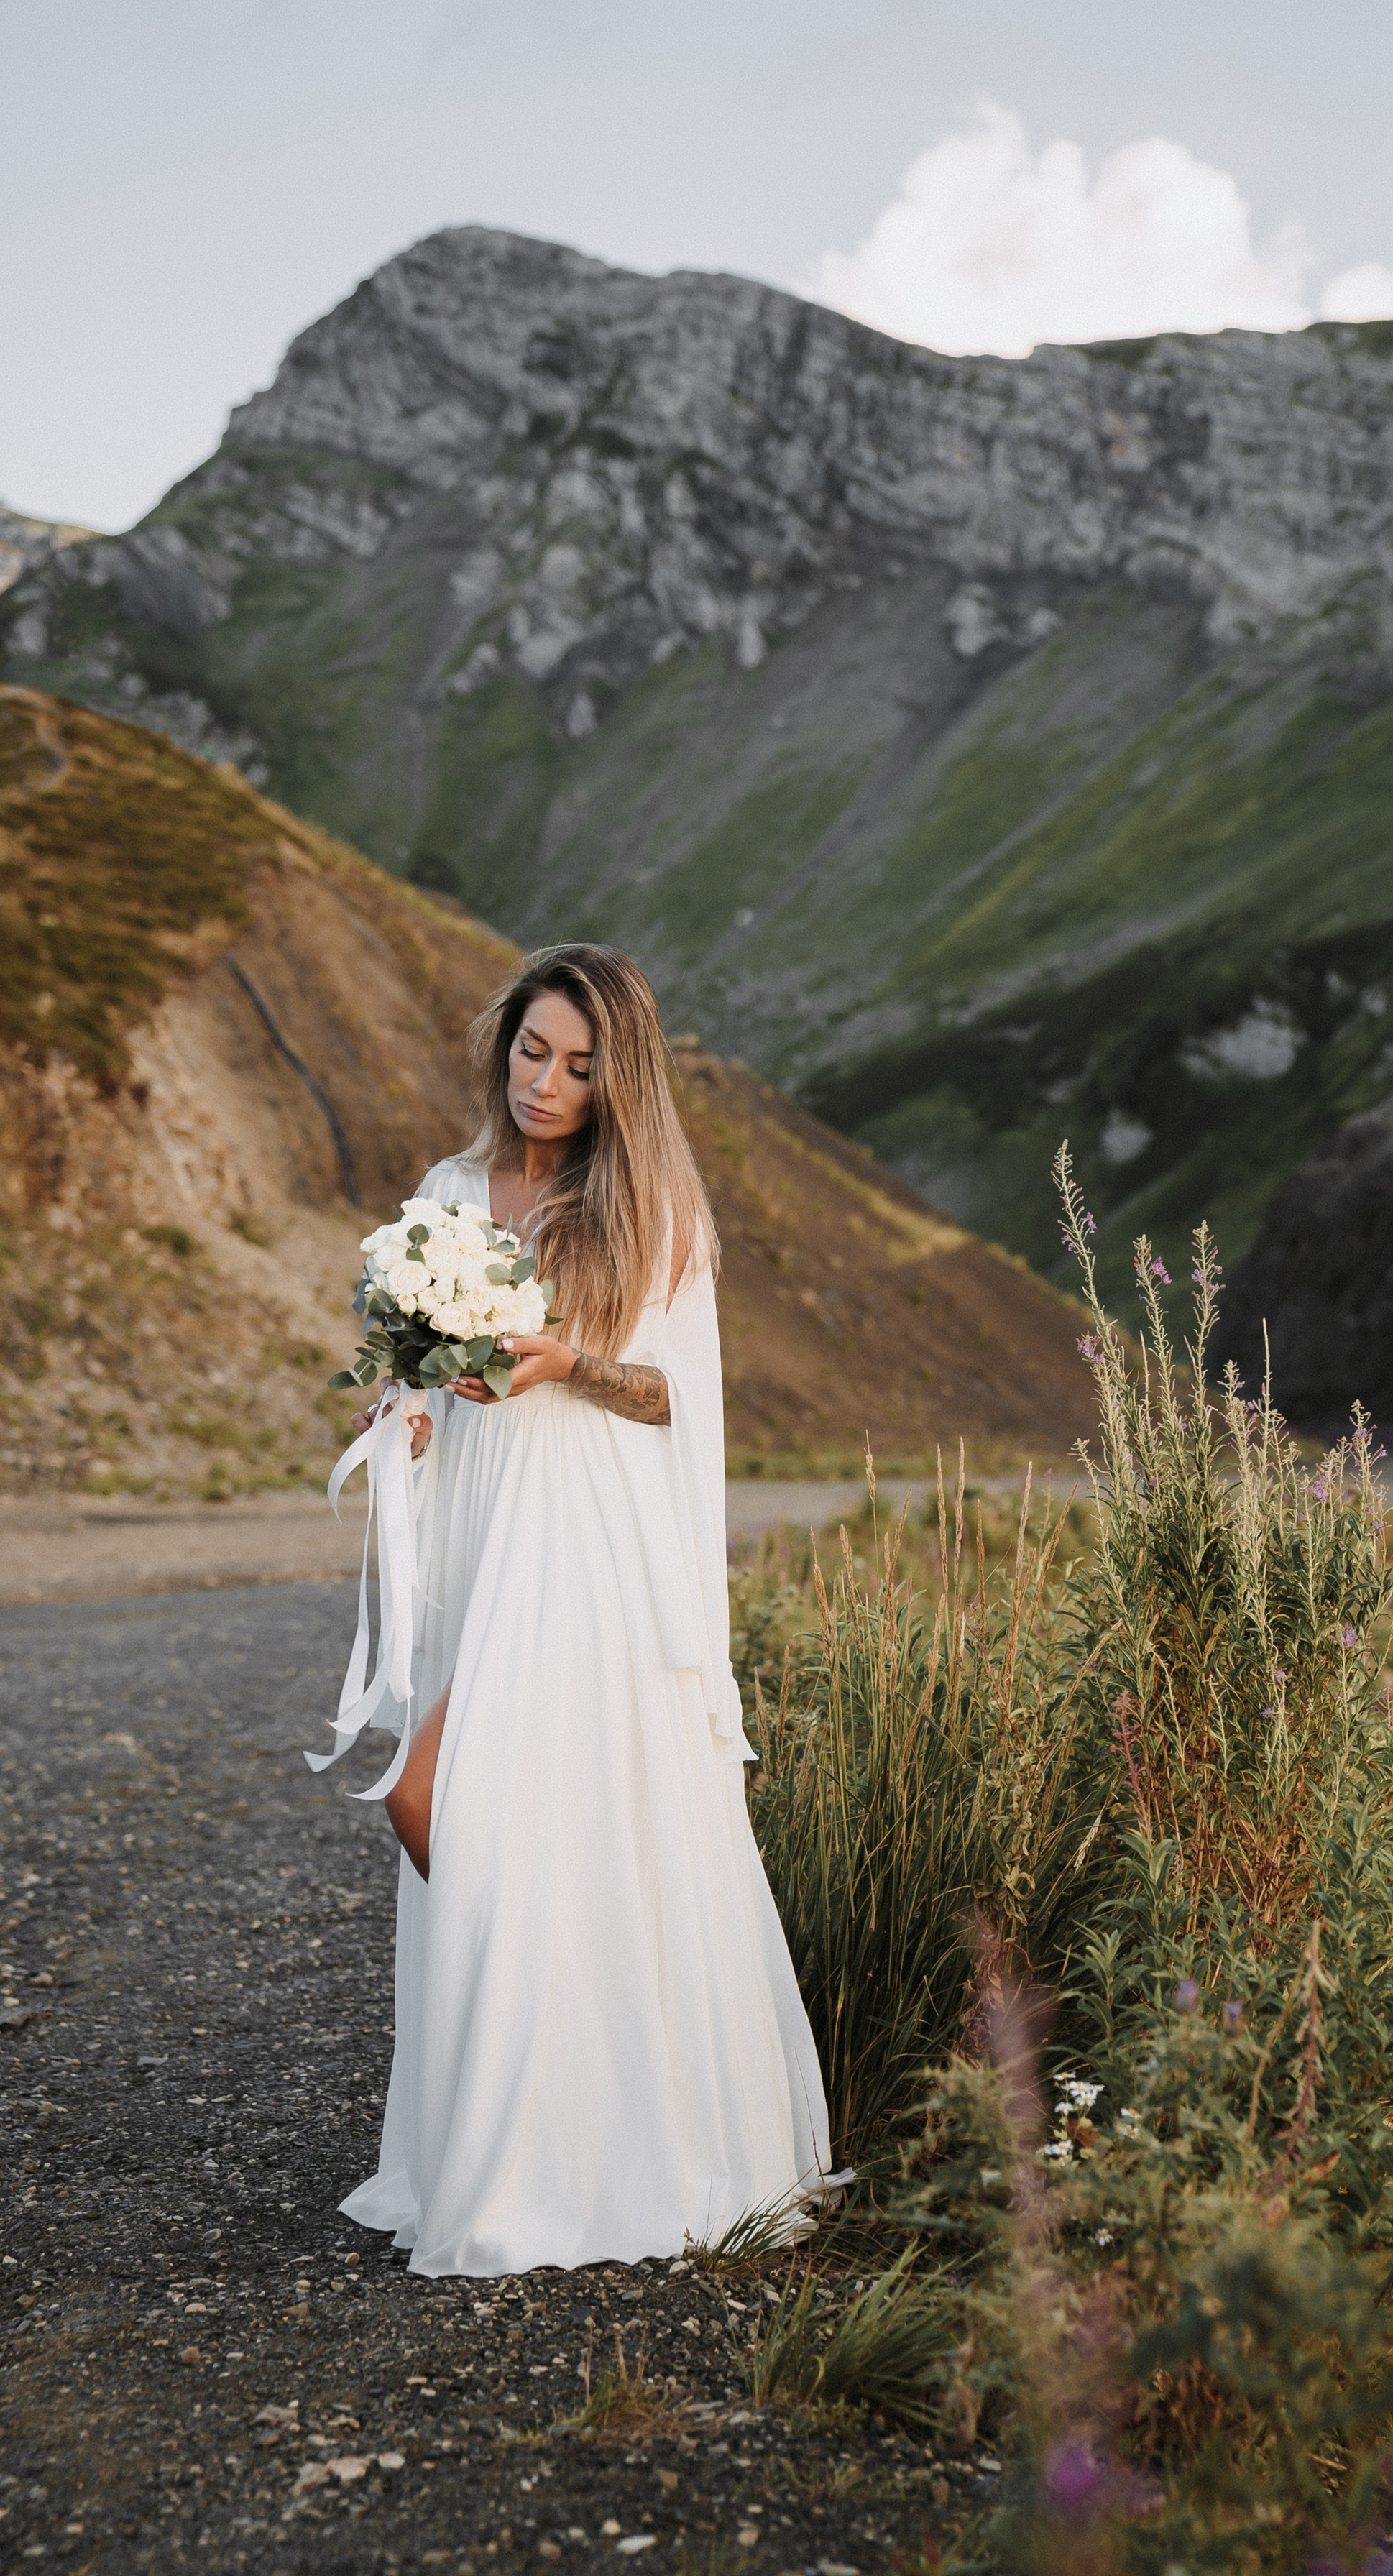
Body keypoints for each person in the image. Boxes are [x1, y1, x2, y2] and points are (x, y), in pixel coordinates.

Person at [331, 943, 831, 2278]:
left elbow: (680, 1398)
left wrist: (566, 1363)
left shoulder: (649, 1206)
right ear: (505, 1046)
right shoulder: (447, 1192)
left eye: (579, 1064)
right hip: (485, 1533)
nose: (546, 1081)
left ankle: (581, 2135)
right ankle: (537, 2114)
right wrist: (409, 1412)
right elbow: (421, 1370)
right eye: (532, 1050)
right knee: (468, 1813)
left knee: (455, 1798)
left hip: (588, 1533)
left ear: (621, 1081)